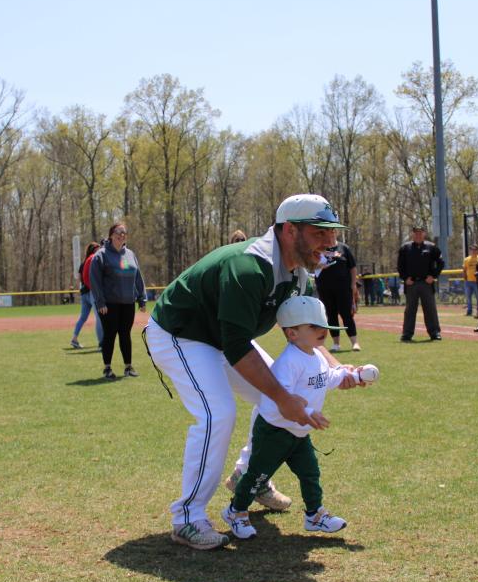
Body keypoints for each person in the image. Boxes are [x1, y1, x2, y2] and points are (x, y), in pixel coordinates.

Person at [144, 193, 356, 550]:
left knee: (277, 394)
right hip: (180, 332)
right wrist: (283, 397)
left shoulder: (297, 273)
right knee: (219, 412)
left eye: (332, 233)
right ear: (290, 230)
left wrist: (338, 367)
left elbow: (306, 334)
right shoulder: (249, 266)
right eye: (320, 233)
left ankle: (248, 475)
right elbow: (238, 346)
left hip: (223, 337)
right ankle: (187, 517)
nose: (330, 242)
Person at [221, 296, 367, 540]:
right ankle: (235, 511)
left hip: (299, 434)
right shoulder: (288, 362)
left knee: (310, 473)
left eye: (323, 326)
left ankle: (314, 516)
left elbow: (326, 379)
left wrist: (350, 376)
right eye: (314, 327)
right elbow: (282, 399)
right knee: (257, 476)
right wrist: (309, 413)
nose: (322, 331)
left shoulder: (316, 356)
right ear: (292, 334)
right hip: (274, 432)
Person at [90, 223, 146, 379]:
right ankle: (107, 368)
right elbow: (95, 281)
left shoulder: (129, 254)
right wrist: (100, 302)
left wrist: (141, 298)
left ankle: (128, 367)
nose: (121, 235)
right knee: (110, 334)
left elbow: (137, 277)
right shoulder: (101, 255)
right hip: (109, 304)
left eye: (124, 233)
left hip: (128, 302)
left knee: (125, 334)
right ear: (111, 235)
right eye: (118, 232)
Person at [397, 226, 444, 342]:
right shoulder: (405, 248)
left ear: (424, 234)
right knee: (410, 310)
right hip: (411, 283)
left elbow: (441, 263)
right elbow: (400, 266)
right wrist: (405, 278)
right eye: (416, 233)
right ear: (412, 234)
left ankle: (435, 333)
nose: (418, 235)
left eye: (420, 233)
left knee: (430, 309)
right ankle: (407, 334)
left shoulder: (431, 247)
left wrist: (433, 276)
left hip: (426, 283)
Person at [316, 241, 360, 352]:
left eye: (333, 231)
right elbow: (309, 265)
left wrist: (353, 284)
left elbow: (353, 268)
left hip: (343, 288)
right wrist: (320, 266)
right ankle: (336, 343)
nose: (330, 235)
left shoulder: (344, 248)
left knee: (347, 314)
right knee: (331, 315)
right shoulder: (317, 247)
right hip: (325, 288)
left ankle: (354, 342)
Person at [71, 242, 103, 349]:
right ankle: (101, 343)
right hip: (91, 292)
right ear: (94, 250)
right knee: (99, 317)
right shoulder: (94, 260)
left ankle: (74, 338)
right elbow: (88, 277)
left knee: (83, 317)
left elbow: (81, 278)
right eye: (97, 249)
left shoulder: (83, 263)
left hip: (84, 292)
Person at [462, 244, 478, 317]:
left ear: (477, 250)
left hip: (477, 281)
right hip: (468, 281)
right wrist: (465, 278)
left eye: (475, 249)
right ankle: (469, 311)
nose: (473, 251)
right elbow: (464, 270)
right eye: (472, 249)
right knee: (468, 298)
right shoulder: (466, 259)